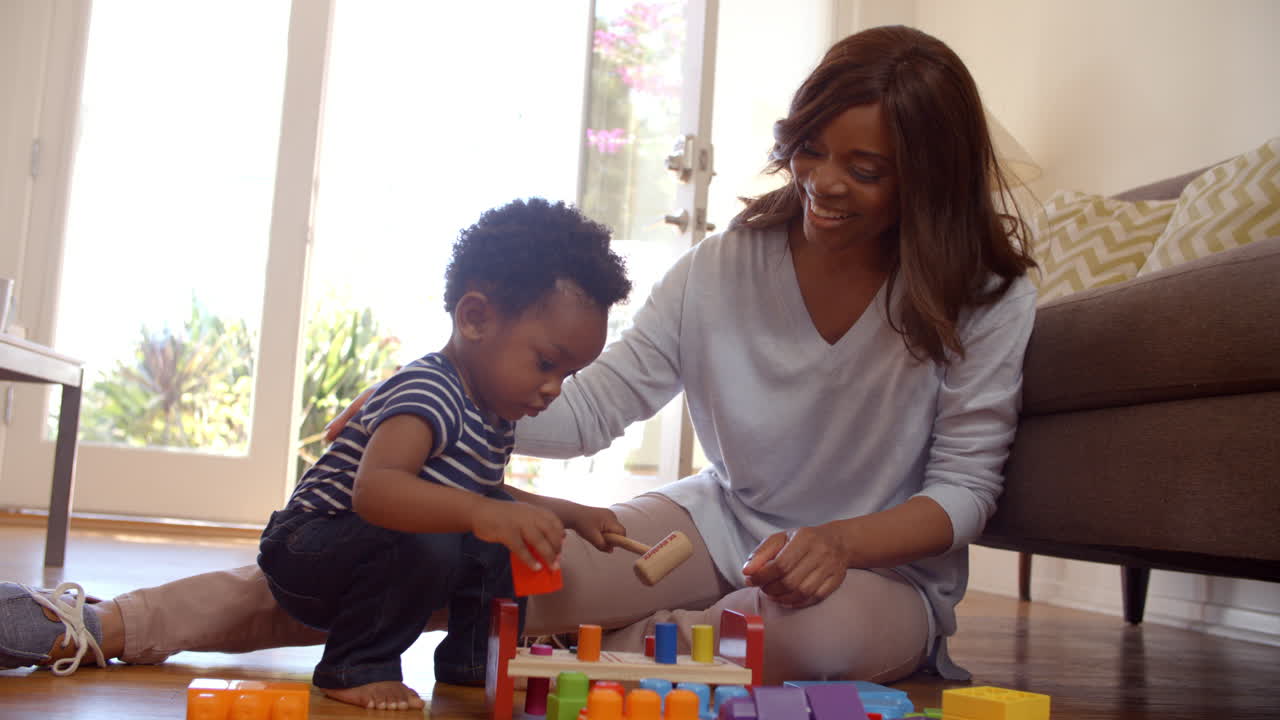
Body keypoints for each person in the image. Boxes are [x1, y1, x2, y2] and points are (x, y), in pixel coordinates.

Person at [1, 24, 1036, 702]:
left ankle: (653, 654)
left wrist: (839, 543)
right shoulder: (726, 267)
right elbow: (590, 405)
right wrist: (442, 401)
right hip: (712, 528)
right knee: (459, 568)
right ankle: (110, 621)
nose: (823, 184)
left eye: (864, 169)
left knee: (786, 643)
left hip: (868, 572)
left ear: (927, 179)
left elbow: (964, 491)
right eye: (811, 151)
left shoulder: (986, 296)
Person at [2, 198, 634, 711]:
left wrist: (565, 512)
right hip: (309, 550)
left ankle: (474, 662)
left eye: (568, 375)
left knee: (501, 536)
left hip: (367, 547)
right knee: (437, 535)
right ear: (475, 317)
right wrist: (480, 514)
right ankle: (353, 668)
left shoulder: (495, 411)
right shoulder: (429, 389)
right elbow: (378, 492)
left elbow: (482, 497)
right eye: (546, 363)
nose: (553, 389)